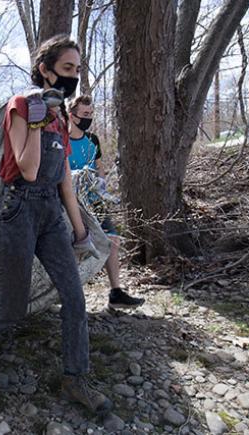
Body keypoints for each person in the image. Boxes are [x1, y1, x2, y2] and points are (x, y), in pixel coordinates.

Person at [0, 35, 112, 416]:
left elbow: (64, 181)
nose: (73, 78)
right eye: (66, 69)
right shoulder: (23, 105)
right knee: (12, 309)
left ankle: (76, 378)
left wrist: (80, 231)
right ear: (45, 70)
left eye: (77, 70)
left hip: (51, 216)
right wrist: (41, 119)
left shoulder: (61, 115)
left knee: (74, 298)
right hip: (19, 211)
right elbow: (26, 168)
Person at [67, 95, 145, 310]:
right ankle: (72, 297)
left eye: (91, 114)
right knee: (76, 247)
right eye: (84, 115)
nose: (88, 118)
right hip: (72, 204)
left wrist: (100, 183)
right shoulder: (63, 140)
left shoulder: (92, 140)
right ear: (72, 116)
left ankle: (116, 292)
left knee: (112, 240)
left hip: (95, 199)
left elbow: (98, 165)